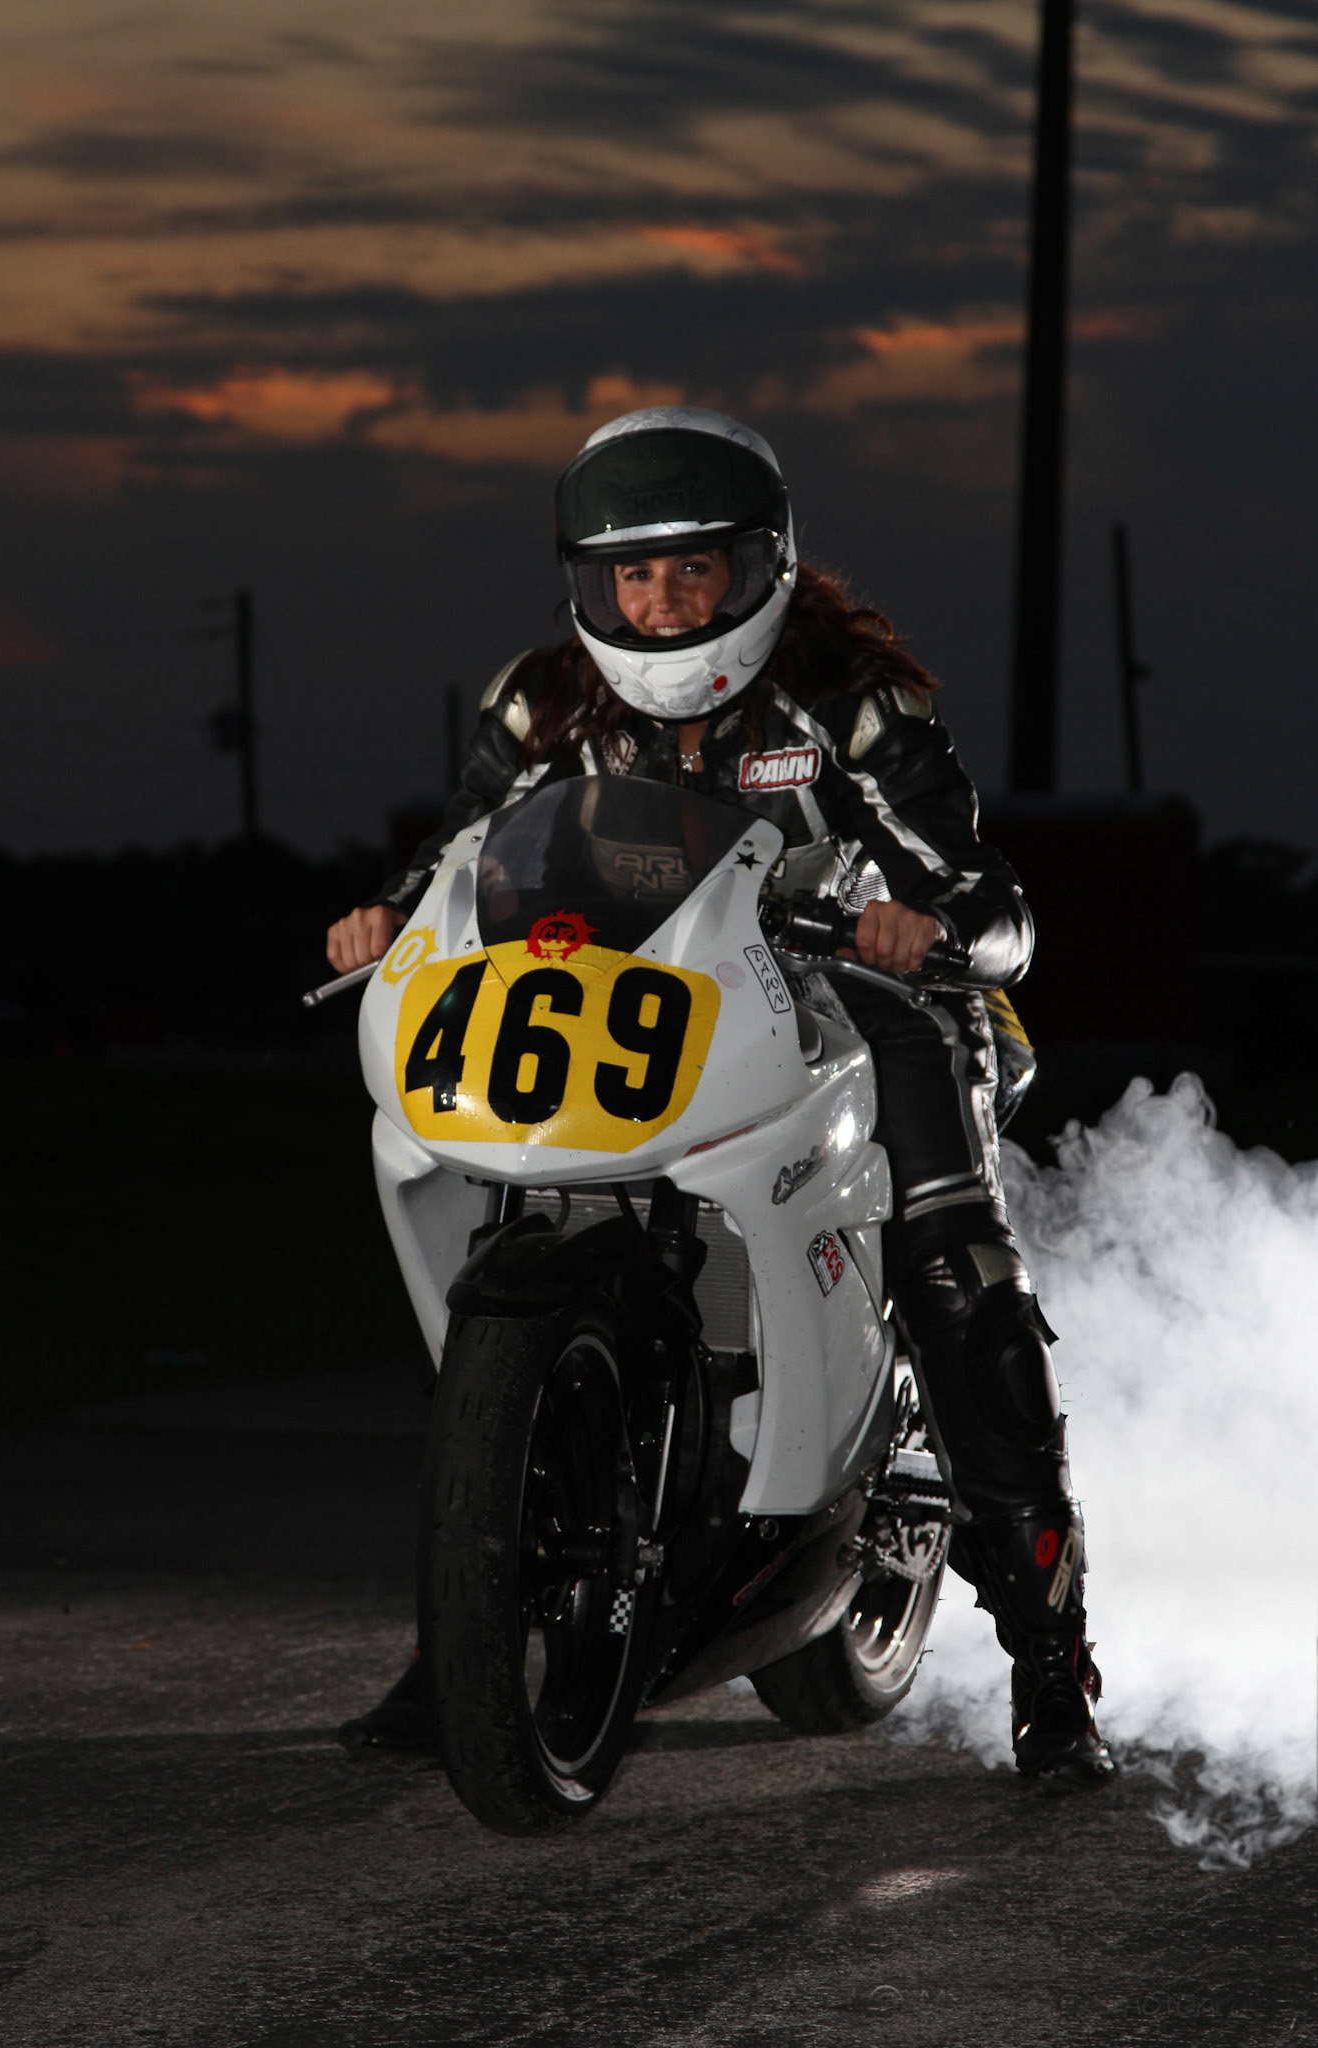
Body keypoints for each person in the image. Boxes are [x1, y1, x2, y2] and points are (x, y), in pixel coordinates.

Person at [328, 406, 1113, 1783]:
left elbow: (989, 900)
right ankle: (472, 1615)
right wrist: (388, 915)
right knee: (511, 1215)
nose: (662, 602)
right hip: (638, 1008)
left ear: (762, 566)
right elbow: (460, 851)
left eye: (692, 568)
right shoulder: (542, 703)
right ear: (588, 584)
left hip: (862, 1009)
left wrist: (924, 926)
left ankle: (1052, 1666)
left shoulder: (850, 695)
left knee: (957, 1276)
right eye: (630, 574)